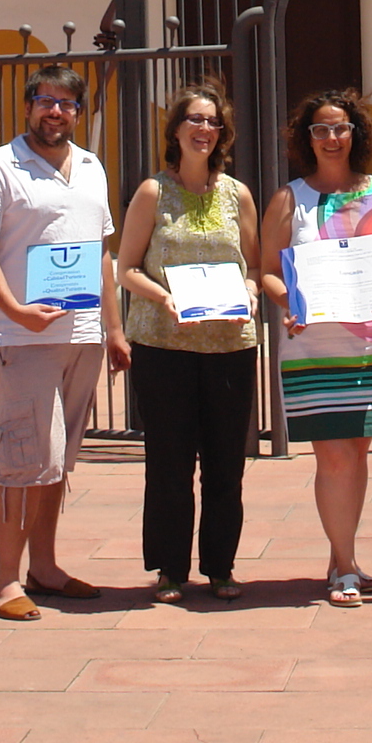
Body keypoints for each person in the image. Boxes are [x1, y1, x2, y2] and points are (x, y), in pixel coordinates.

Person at [0, 61, 130, 620]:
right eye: (45, 101)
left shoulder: (91, 167)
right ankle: (6, 580)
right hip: (23, 335)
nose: (55, 112)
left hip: (82, 335)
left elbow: (101, 252)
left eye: (66, 103)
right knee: (24, 458)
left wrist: (113, 329)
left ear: (78, 112)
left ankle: (46, 568)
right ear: (28, 105)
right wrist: (14, 310)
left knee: (59, 459)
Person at [254, 91, 372, 606]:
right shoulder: (289, 199)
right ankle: (344, 567)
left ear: (356, 133)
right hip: (313, 347)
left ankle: (344, 555)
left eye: (340, 128)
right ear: (307, 138)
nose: (332, 138)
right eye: (320, 130)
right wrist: (290, 302)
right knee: (335, 458)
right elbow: (268, 271)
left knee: (357, 453)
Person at [112, 83, 258, 601]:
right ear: (175, 129)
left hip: (229, 346)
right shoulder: (153, 192)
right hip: (164, 347)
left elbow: (253, 267)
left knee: (226, 464)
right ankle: (170, 568)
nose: (204, 129)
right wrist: (164, 296)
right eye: (195, 119)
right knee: (169, 462)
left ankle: (221, 566)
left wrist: (251, 293)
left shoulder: (237, 194)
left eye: (213, 122)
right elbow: (127, 268)